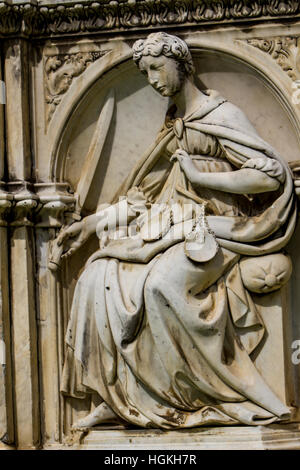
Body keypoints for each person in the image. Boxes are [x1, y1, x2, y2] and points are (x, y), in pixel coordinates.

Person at [58, 32, 296, 429]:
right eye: (144, 71)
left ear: (181, 64)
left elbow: (268, 176)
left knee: (160, 286)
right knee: (94, 277)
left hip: (219, 228)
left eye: (155, 68)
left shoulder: (222, 116)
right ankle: (118, 395)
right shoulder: (173, 125)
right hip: (169, 227)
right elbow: (144, 197)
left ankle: (214, 395)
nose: (151, 79)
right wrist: (90, 224)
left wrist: (202, 175)